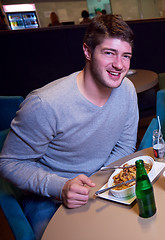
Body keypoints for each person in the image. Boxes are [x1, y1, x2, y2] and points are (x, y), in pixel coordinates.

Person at [0, 14, 138, 239]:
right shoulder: (45, 104)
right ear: (87, 51)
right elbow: (9, 163)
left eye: (126, 56)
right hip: (50, 198)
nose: (119, 65)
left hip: (100, 186)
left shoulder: (128, 90)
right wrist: (60, 187)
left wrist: (99, 184)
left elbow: (125, 145)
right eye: (109, 53)